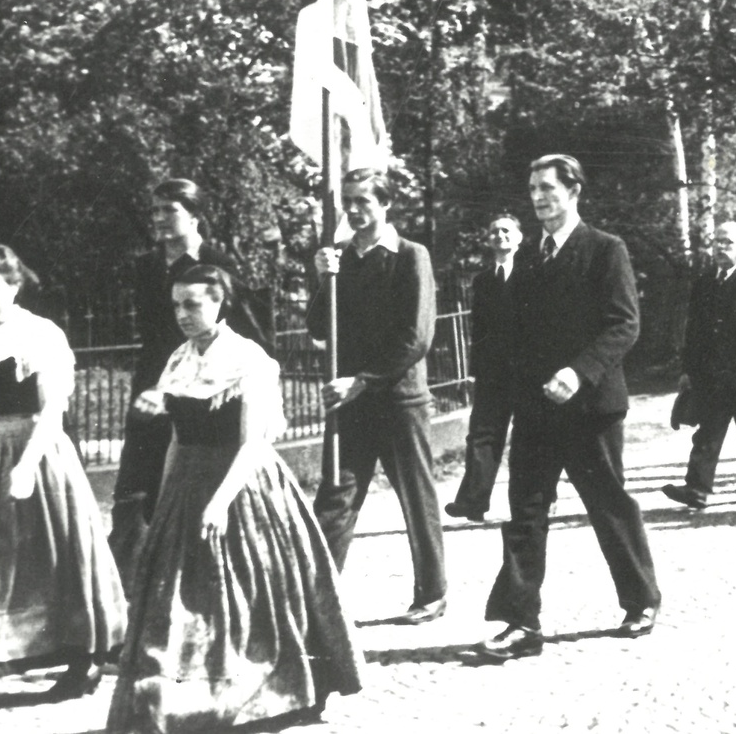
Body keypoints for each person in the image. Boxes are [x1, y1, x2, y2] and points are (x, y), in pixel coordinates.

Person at [108, 266, 361, 732]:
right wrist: (167, 496)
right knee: (177, 602)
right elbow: (176, 439)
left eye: (194, 303)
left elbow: (252, 445)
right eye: (178, 304)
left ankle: (271, 690)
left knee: (257, 592)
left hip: (242, 487)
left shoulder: (250, 360)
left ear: (220, 302)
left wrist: (220, 502)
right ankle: (178, 698)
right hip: (186, 484)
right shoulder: (179, 360)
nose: (183, 313)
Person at [0, 245, 126, 710]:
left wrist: (25, 466)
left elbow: (52, 409)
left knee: (50, 564)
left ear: (13, 287)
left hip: (32, 459)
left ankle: (84, 659)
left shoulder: (39, 335)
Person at [481, 155, 660, 661]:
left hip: (590, 409)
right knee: (526, 512)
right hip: (538, 410)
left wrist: (578, 372)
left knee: (607, 506)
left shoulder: (606, 250)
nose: (538, 197)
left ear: (574, 191)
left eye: (548, 188)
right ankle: (520, 622)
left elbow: (624, 324)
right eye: (533, 188)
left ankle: (641, 600)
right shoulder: (530, 257)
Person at [111, 178, 273, 583]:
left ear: (195, 215)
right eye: (155, 210)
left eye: (170, 210)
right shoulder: (146, 265)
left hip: (211, 397)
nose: (160, 219)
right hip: (159, 384)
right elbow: (150, 338)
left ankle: (207, 579)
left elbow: (251, 331)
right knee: (136, 483)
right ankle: (133, 589)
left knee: (197, 487)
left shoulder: (219, 263)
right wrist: (157, 387)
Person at [309, 168, 446, 625]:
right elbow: (317, 330)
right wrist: (320, 280)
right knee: (336, 497)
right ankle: (317, 601)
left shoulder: (411, 256)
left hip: (399, 398)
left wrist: (362, 379)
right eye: (347, 200)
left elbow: (416, 337)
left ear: (386, 203)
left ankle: (432, 591)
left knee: (415, 496)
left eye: (363, 201)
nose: (353, 210)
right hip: (352, 402)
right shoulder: (342, 258)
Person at [662, 221, 736, 509]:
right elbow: (694, 330)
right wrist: (688, 370)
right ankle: (697, 489)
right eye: (717, 242)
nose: (720, 248)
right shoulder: (705, 282)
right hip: (713, 372)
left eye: (728, 243)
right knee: (708, 431)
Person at [447, 213, 527, 522]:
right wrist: (473, 370)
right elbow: (478, 329)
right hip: (493, 372)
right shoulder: (482, 281)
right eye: (494, 231)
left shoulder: (534, 273)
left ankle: (537, 500)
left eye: (506, 230)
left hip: (528, 370)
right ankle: (472, 501)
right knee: (481, 436)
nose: (500, 236)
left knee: (530, 435)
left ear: (518, 237)